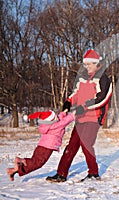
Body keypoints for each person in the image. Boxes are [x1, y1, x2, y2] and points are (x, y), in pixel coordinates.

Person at [46, 49, 113, 182]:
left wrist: (84, 107)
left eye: (89, 64)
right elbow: (75, 94)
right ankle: (61, 174)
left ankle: (93, 174)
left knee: (86, 143)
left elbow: (102, 98)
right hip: (81, 117)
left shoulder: (103, 78)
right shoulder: (83, 78)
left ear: (96, 63)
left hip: (94, 117)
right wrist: (68, 103)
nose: (86, 67)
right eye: (85, 64)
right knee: (71, 145)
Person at [6, 109, 75, 181]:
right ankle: (21, 161)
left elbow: (59, 119)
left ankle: (13, 171)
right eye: (55, 117)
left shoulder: (48, 124)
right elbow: (65, 121)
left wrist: (63, 113)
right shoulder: (55, 125)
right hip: (47, 147)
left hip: (41, 146)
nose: (57, 117)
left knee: (35, 162)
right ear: (51, 121)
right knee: (38, 163)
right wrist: (74, 114)